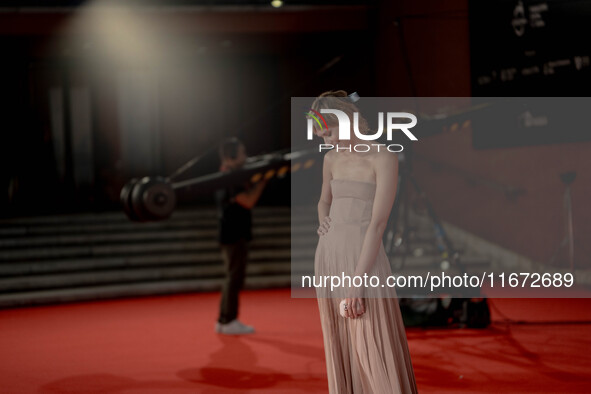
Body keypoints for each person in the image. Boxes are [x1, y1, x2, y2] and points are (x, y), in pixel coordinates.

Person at [311, 91, 418, 393]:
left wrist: (357, 282)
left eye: (328, 132)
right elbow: (322, 201)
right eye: (320, 135)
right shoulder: (330, 159)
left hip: (364, 261)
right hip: (329, 258)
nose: (326, 141)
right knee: (342, 344)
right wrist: (324, 222)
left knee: (372, 346)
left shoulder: (383, 157)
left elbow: (378, 224)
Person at [214, 137, 268, 335]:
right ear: (231, 156)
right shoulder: (229, 178)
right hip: (232, 233)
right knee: (234, 277)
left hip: (233, 231)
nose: (246, 157)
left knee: (233, 277)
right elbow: (248, 201)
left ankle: (224, 319)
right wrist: (263, 181)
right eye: (242, 153)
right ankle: (229, 319)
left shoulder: (228, 175)